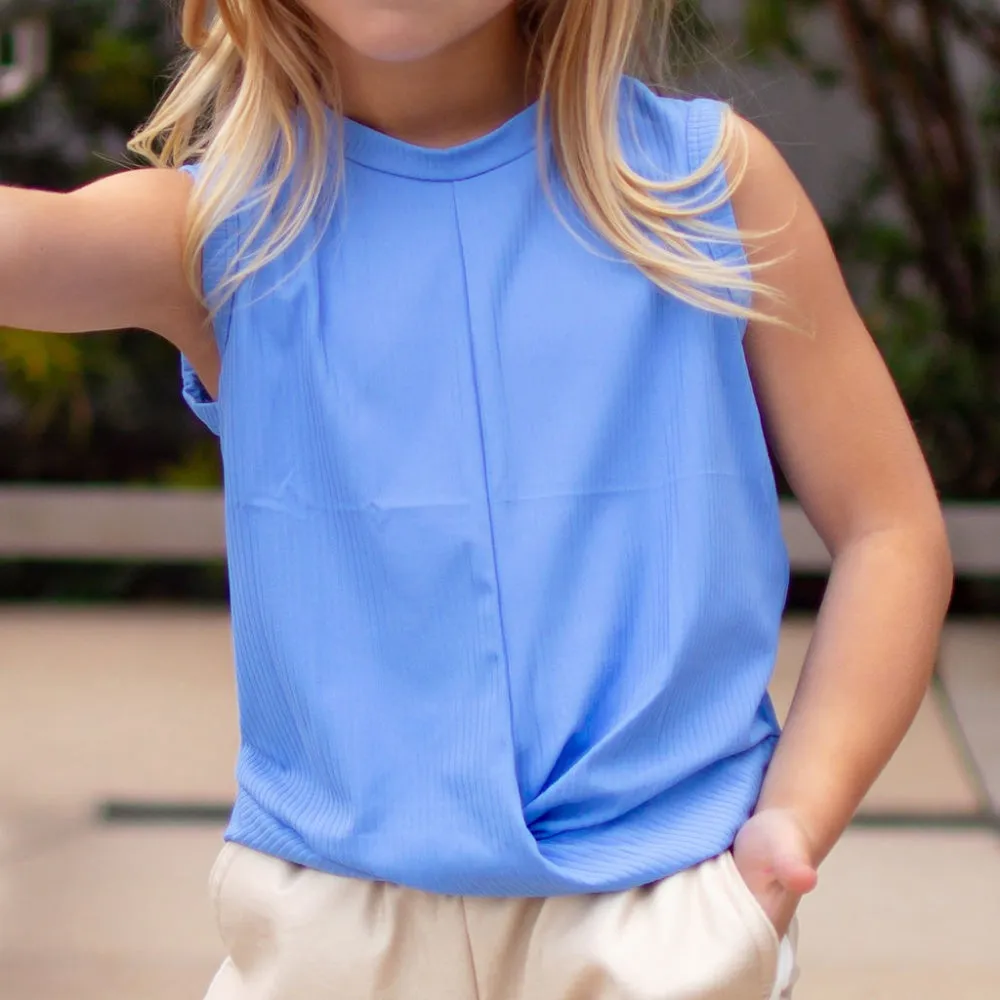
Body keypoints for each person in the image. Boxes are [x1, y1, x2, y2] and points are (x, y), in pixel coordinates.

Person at [1, 1, 953, 998]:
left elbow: (890, 531)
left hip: (662, 917)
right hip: (332, 933)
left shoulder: (706, 183)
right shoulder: (223, 229)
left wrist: (792, 822)